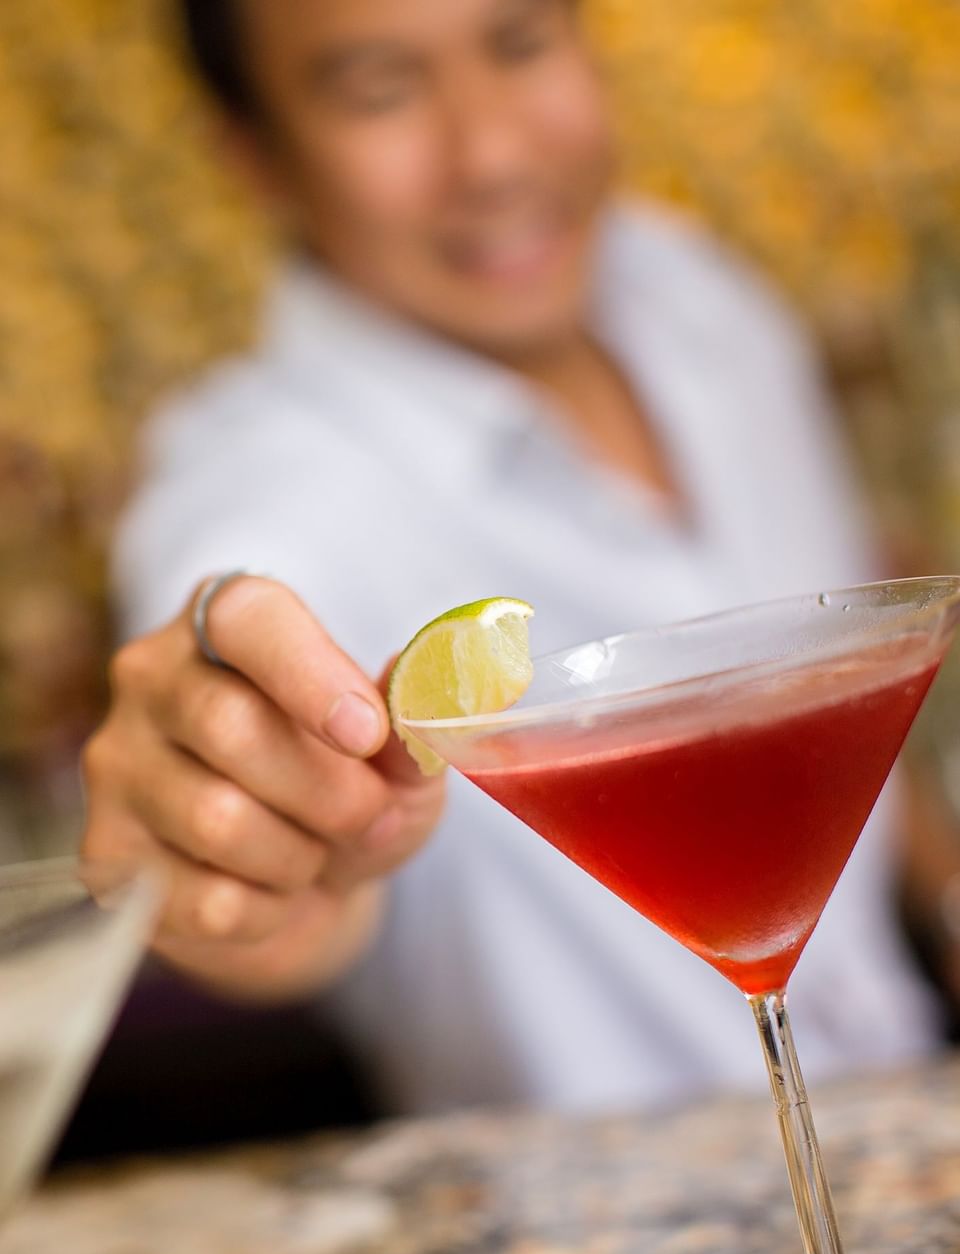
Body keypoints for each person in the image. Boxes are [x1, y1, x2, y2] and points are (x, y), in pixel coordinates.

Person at [81, 0, 949, 1115]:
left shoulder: (706, 303)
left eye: (522, 42)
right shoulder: (265, 483)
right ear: (256, 157)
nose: (491, 153)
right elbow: (224, 663)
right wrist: (226, 838)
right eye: (381, 90)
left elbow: (847, 709)